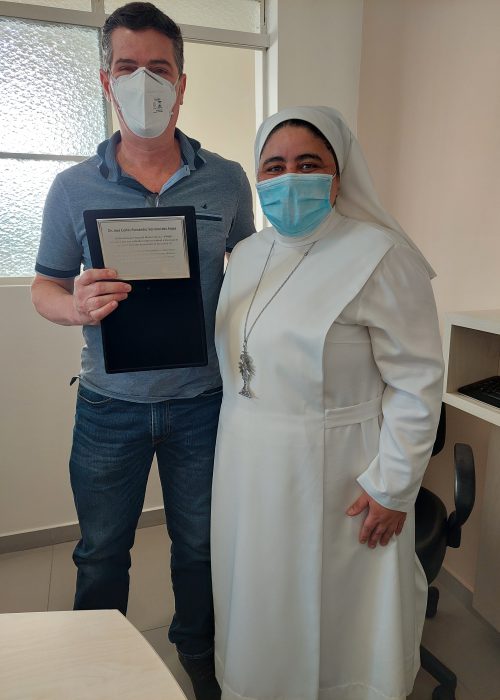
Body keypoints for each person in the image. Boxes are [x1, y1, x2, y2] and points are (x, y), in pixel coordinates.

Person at [31, 3, 254, 699]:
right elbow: (43, 286)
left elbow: (253, 275)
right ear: (106, 81)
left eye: (159, 68)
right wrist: (74, 305)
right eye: (127, 68)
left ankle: (200, 654)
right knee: (101, 552)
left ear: (182, 83)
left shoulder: (227, 180)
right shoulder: (73, 187)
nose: (144, 83)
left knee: (200, 547)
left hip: (203, 405)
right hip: (109, 407)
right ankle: (93, 668)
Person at [211, 106, 444, 700]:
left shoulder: (379, 255)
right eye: (274, 166)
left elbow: (417, 381)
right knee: (259, 599)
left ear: (338, 177)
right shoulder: (247, 254)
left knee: (338, 618)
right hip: (247, 467)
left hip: (342, 473)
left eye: (308, 163)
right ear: (258, 177)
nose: (289, 178)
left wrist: (393, 487)